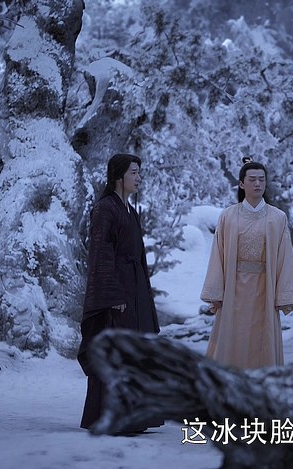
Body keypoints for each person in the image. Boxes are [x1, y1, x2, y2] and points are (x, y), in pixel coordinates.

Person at [77, 153, 162, 432]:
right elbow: (101, 254)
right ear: (118, 176)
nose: (139, 178)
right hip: (118, 291)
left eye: (139, 172)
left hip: (135, 289)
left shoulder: (130, 211)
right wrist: (112, 295)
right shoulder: (105, 209)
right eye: (133, 172)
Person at [200, 158, 293, 368]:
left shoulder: (277, 217)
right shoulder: (228, 216)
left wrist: (283, 295)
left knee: (262, 336)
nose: (257, 184)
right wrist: (216, 292)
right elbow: (218, 255)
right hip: (233, 286)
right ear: (241, 184)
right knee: (233, 333)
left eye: (261, 180)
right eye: (252, 179)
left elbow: (285, 257)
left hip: (265, 287)